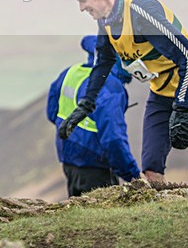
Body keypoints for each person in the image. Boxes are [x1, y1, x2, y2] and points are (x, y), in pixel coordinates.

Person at [59, 0, 188, 195]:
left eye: (83, 1)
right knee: (151, 168)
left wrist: (183, 107)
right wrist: (85, 104)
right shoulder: (106, 20)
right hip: (161, 92)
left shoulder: (139, 12)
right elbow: (103, 63)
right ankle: (164, 220)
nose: (81, 8)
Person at [47, 35, 140, 197]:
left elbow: (52, 113)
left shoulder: (70, 73)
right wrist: (133, 176)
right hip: (97, 166)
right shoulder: (110, 87)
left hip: (69, 161)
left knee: (78, 214)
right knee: (102, 219)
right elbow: (113, 140)